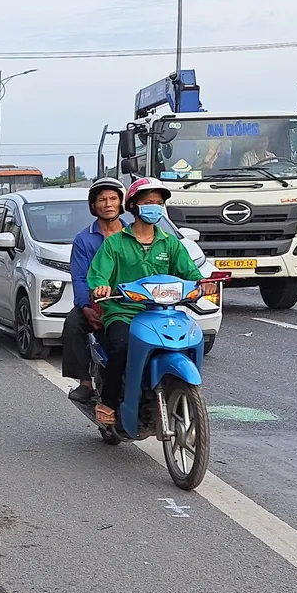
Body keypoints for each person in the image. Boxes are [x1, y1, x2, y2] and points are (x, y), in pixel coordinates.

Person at [87, 178, 207, 426]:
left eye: (159, 203)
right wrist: (100, 286)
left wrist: (201, 283)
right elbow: (98, 274)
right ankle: (108, 402)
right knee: (120, 346)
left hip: (162, 312)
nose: (154, 207)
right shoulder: (115, 243)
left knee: (188, 340)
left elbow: (190, 273)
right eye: (148, 202)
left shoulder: (170, 242)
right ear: (133, 206)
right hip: (123, 311)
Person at [63, 177, 127, 404]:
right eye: (102, 199)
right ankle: (85, 382)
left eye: (113, 198)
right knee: (72, 324)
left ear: (122, 202)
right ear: (93, 206)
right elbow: (79, 276)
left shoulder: (134, 234)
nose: (108, 204)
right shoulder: (84, 239)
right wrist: (86, 306)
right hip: (96, 302)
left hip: (131, 302)